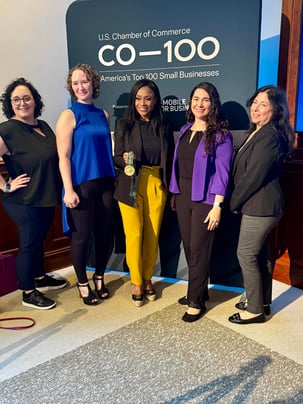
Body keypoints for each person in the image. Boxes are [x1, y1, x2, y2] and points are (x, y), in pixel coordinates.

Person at [228, 85, 294, 325]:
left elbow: (254, 175)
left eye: (263, 104)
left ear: (276, 110)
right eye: (254, 102)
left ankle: (254, 309)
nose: (255, 108)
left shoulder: (270, 137)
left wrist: (234, 202)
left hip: (262, 206)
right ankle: (262, 302)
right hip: (258, 205)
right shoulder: (257, 132)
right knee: (261, 255)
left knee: (245, 254)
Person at [0, 77, 67, 310]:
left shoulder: (43, 125)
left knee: (38, 240)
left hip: (45, 194)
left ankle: (39, 277)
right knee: (29, 243)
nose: (22, 103)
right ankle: (28, 292)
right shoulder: (7, 130)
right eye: (16, 99)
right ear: (10, 104)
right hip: (23, 200)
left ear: (34, 101)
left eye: (26, 98)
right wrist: (5, 185)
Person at [170, 82, 233, 322]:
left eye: (205, 99)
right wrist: (175, 193)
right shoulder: (186, 129)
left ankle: (195, 302)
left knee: (198, 250)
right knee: (189, 248)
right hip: (183, 194)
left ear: (213, 103)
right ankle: (199, 291)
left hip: (206, 198)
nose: (199, 104)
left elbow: (222, 172)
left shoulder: (221, 135)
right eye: (196, 99)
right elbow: (178, 165)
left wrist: (217, 206)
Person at [56, 63, 116, 305]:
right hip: (80, 185)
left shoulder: (103, 115)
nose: (81, 86)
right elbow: (63, 156)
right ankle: (82, 283)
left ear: (94, 84)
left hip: (105, 182)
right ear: (71, 88)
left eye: (85, 81)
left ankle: (99, 276)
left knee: (104, 234)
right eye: (76, 83)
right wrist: (68, 189)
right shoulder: (68, 115)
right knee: (81, 238)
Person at [113, 79, 174, 307]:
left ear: (155, 99)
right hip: (130, 184)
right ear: (133, 100)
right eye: (138, 98)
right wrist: (126, 160)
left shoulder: (164, 126)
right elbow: (117, 157)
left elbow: (170, 160)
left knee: (152, 236)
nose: (143, 103)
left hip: (156, 182)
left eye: (148, 98)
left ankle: (148, 278)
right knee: (134, 236)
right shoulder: (124, 125)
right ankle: (136, 281)